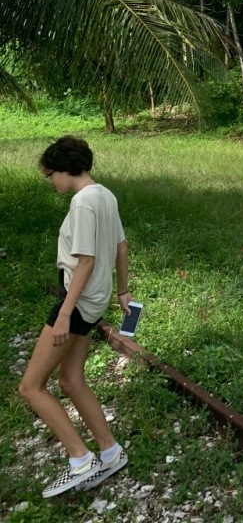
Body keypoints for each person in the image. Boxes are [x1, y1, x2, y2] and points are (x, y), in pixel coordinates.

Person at [19, 136, 132, 498]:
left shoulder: (83, 202)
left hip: (77, 303)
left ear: (65, 168)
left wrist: (65, 313)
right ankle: (110, 452)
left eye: (49, 174)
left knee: (31, 386)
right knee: (70, 379)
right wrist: (123, 292)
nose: (50, 181)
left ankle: (79, 460)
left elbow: (86, 260)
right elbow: (121, 247)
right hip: (94, 302)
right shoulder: (105, 194)